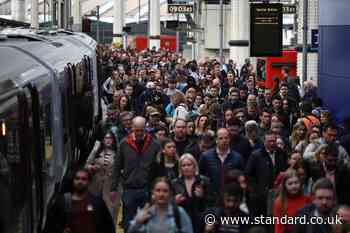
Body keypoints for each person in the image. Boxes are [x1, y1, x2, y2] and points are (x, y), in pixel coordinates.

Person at [110, 116, 160, 230]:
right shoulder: (124, 144)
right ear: (132, 128)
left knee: (149, 223)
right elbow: (117, 167)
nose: (139, 133)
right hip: (129, 189)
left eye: (141, 130)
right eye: (136, 130)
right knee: (129, 222)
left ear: (146, 128)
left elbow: (159, 169)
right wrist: (113, 188)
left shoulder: (154, 145)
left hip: (147, 190)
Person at [43, 168, 115, 233]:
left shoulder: (97, 203)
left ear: (89, 182)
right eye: (77, 179)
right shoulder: (62, 202)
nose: (80, 181)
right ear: (73, 181)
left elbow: (108, 226)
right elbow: (50, 225)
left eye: (83, 179)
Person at [128, 177, 193, 233]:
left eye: (165, 191)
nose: (161, 194)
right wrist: (137, 222)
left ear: (170, 193)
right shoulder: (146, 213)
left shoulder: (179, 213)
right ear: (153, 192)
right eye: (158, 190)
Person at [245, 131, 288, 216]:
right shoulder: (256, 155)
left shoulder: (281, 153)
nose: (272, 143)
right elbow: (248, 174)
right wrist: (256, 190)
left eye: (274, 141)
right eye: (269, 141)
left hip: (278, 193)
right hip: (261, 196)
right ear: (264, 141)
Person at [172, 153, 213, 233]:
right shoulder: (174, 183)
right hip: (181, 221)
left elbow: (212, 203)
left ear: (194, 166)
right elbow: (168, 205)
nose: (186, 168)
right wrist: (174, 201)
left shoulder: (204, 181)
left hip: (200, 220)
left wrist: (202, 196)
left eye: (189, 165)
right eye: (183, 165)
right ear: (180, 168)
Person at [199, 128, 244, 195]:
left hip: (230, 196)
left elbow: (241, 177)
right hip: (212, 197)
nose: (224, 141)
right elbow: (201, 175)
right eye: (221, 138)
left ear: (229, 139)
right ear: (216, 140)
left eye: (226, 138)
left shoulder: (237, 157)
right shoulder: (206, 156)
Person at [85, 131, 119, 220]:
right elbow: (86, 165)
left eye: (110, 138)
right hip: (95, 186)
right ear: (103, 140)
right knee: (92, 210)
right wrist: (92, 167)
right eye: (106, 138)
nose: (108, 140)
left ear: (113, 140)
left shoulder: (118, 153)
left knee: (110, 211)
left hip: (110, 187)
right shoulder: (97, 152)